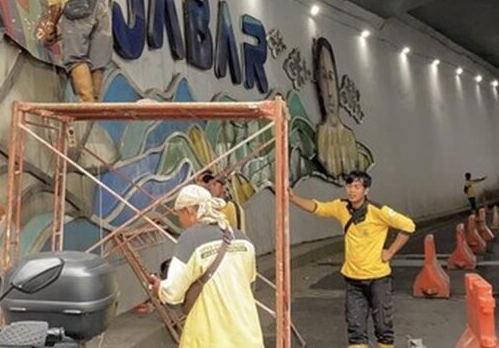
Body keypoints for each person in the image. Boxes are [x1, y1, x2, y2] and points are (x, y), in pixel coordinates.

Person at [288, 170, 415, 348]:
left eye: (357, 187)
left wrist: (390, 251)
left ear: (366, 190)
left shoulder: (378, 211)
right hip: (353, 278)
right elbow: (318, 208)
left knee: (383, 326)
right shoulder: (341, 207)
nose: (352, 190)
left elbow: (408, 226)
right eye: (349, 186)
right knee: (355, 330)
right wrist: (293, 198)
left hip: (378, 278)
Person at [148, 185, 263, 348]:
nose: (180, 221)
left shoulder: (190, 239)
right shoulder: (243, 239)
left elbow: (173, 293)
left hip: (210, 339)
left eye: (179, 215)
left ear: (189, 211)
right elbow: (249, 284)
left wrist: (158, 288)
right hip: (247, 336)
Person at [36, 0, 112, 102]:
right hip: (104, 3)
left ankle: (87, 100)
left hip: (79, 2)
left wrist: (50, 27)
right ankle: (95, 100)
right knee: (98, 60)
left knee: (75, 56)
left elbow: (55, 6)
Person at [313, 37, 366, 178]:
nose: (329, 91)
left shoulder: (349, 138)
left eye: (331, 77)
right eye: (323, 78)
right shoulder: (321, 135)